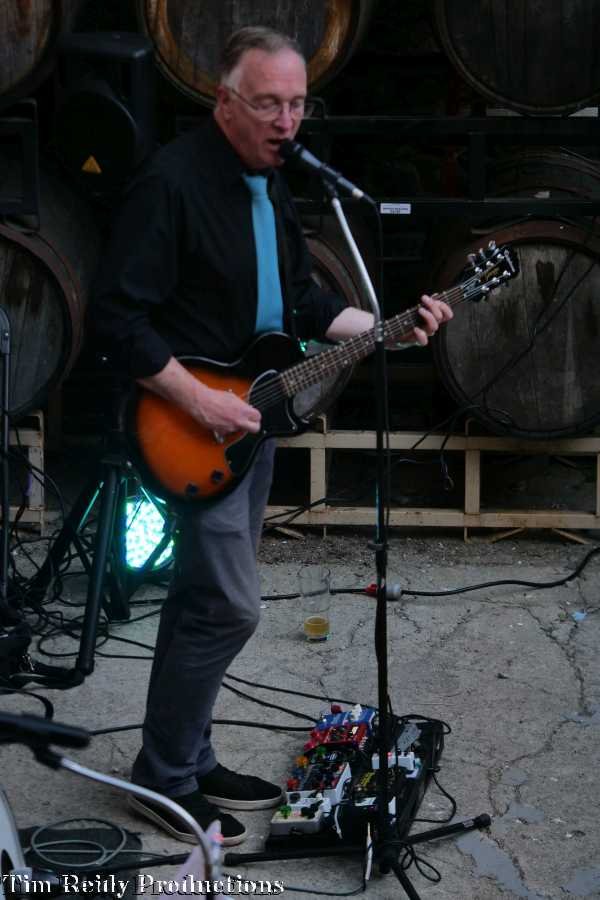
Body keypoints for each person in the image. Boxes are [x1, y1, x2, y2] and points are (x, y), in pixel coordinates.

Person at [91, 26, 453, 847]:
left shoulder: (271, 184)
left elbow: (303, 303)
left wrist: (390, 329)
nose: (287, 121)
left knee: (199, 600)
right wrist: (199, 400)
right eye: (268, 104)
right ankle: (165, 780)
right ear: (224, 102)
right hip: (192, 423)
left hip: (254, 415)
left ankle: (185, 759)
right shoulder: (171, 184)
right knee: (230, 605)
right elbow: (116, 318)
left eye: (297, 104)